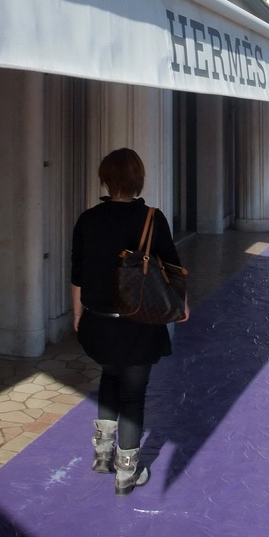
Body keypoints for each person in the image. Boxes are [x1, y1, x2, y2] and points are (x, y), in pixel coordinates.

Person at [71, 147, 181, 496]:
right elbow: (174, 266)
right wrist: (182, 304)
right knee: (133, 395)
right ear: (138, 179)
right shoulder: (152, 217)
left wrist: (77, 314)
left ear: (105, 178)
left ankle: (103, 453)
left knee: (109, 376)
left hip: (99, 321)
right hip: (140, 321)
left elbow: (77, 273)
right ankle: (127, 472)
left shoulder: (88, 218)